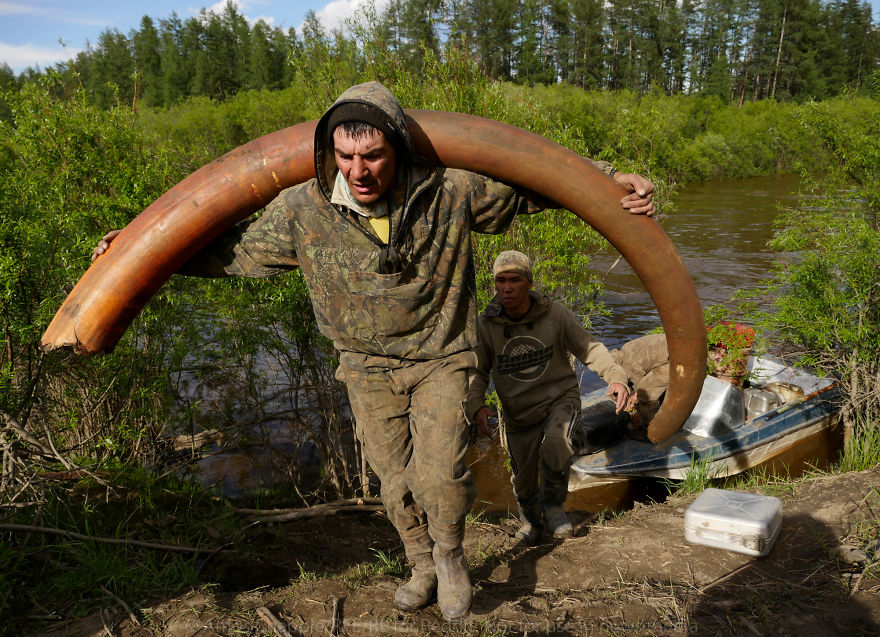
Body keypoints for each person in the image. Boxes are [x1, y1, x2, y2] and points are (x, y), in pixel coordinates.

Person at [92, 82, 655, 620]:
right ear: (328, 152)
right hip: (364, 366)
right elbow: (227, 252)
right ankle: (421, 564)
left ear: (397, 149)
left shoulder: (450, 190)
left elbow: (539, 185)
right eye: (344, 156)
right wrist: (138, 247)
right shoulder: (302, 209)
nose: (358, 172)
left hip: (442, 356)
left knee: (440, 474)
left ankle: (452, 557)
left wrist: (611, 182)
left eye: (373, 156)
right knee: (395, 481)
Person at [466, 251, 634, 544]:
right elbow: (478, 372)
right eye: (500, 280)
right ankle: (530, 521)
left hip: (560, 398)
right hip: (518, 412)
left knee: (557, 443)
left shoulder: (554, 313)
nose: (507, 287)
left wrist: (616, 377)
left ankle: (555, 509)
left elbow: (589, 349)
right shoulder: (486, 325)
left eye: (515, 280)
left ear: (528, 283)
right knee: (523, 476)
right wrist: (477, 404)